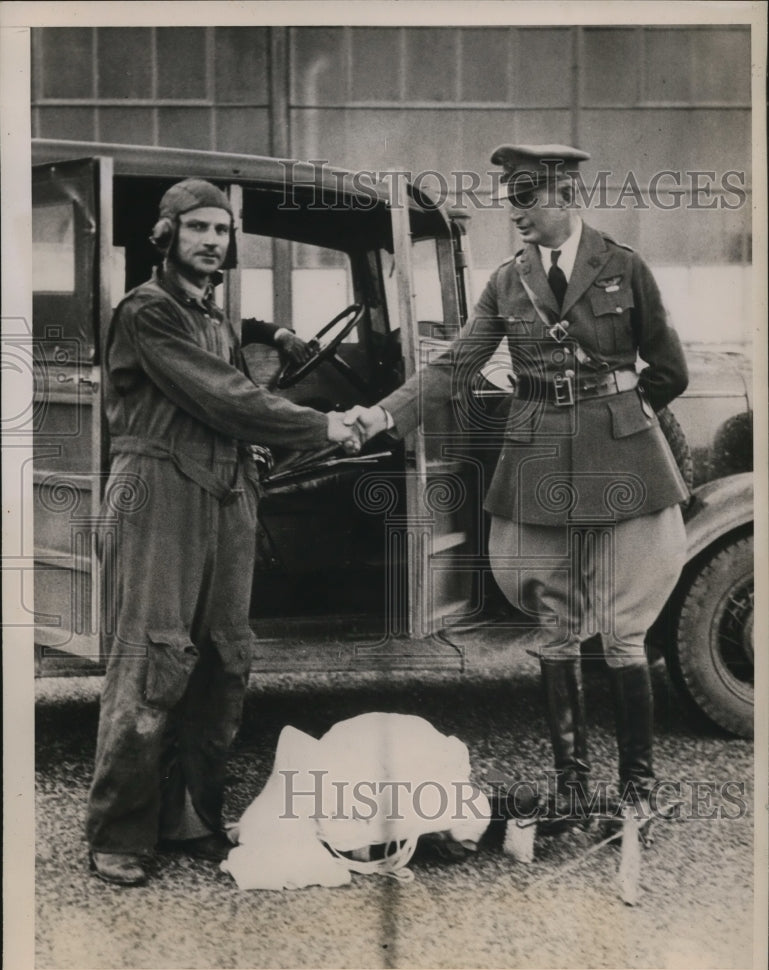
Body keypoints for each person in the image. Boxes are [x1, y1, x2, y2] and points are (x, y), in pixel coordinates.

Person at [345, 143, 690, 821]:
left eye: (527, 199)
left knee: (622, 634)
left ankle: (637, 787)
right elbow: (455, 366)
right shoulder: (507, 282)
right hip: (538, 467)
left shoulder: (623, 267)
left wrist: (624, 412)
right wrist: (384, 414)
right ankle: (570, 783)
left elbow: (669, 368)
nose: (517, 214)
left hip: (623, 466)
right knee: (556, 629)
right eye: (511, 200)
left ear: (566, 196)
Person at [86, 178, 359, 886]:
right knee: (150, 661)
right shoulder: (147, 312)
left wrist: (261, 447)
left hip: (225, 493)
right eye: (199, 227)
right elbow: (223, 395)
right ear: (167, 234)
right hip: (158, 496)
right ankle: (119, 833)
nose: (213, 240)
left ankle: (192, 821)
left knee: (222, 658)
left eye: (223, 230)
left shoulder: (214, 316)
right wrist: (323, 423)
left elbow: (236, 403)